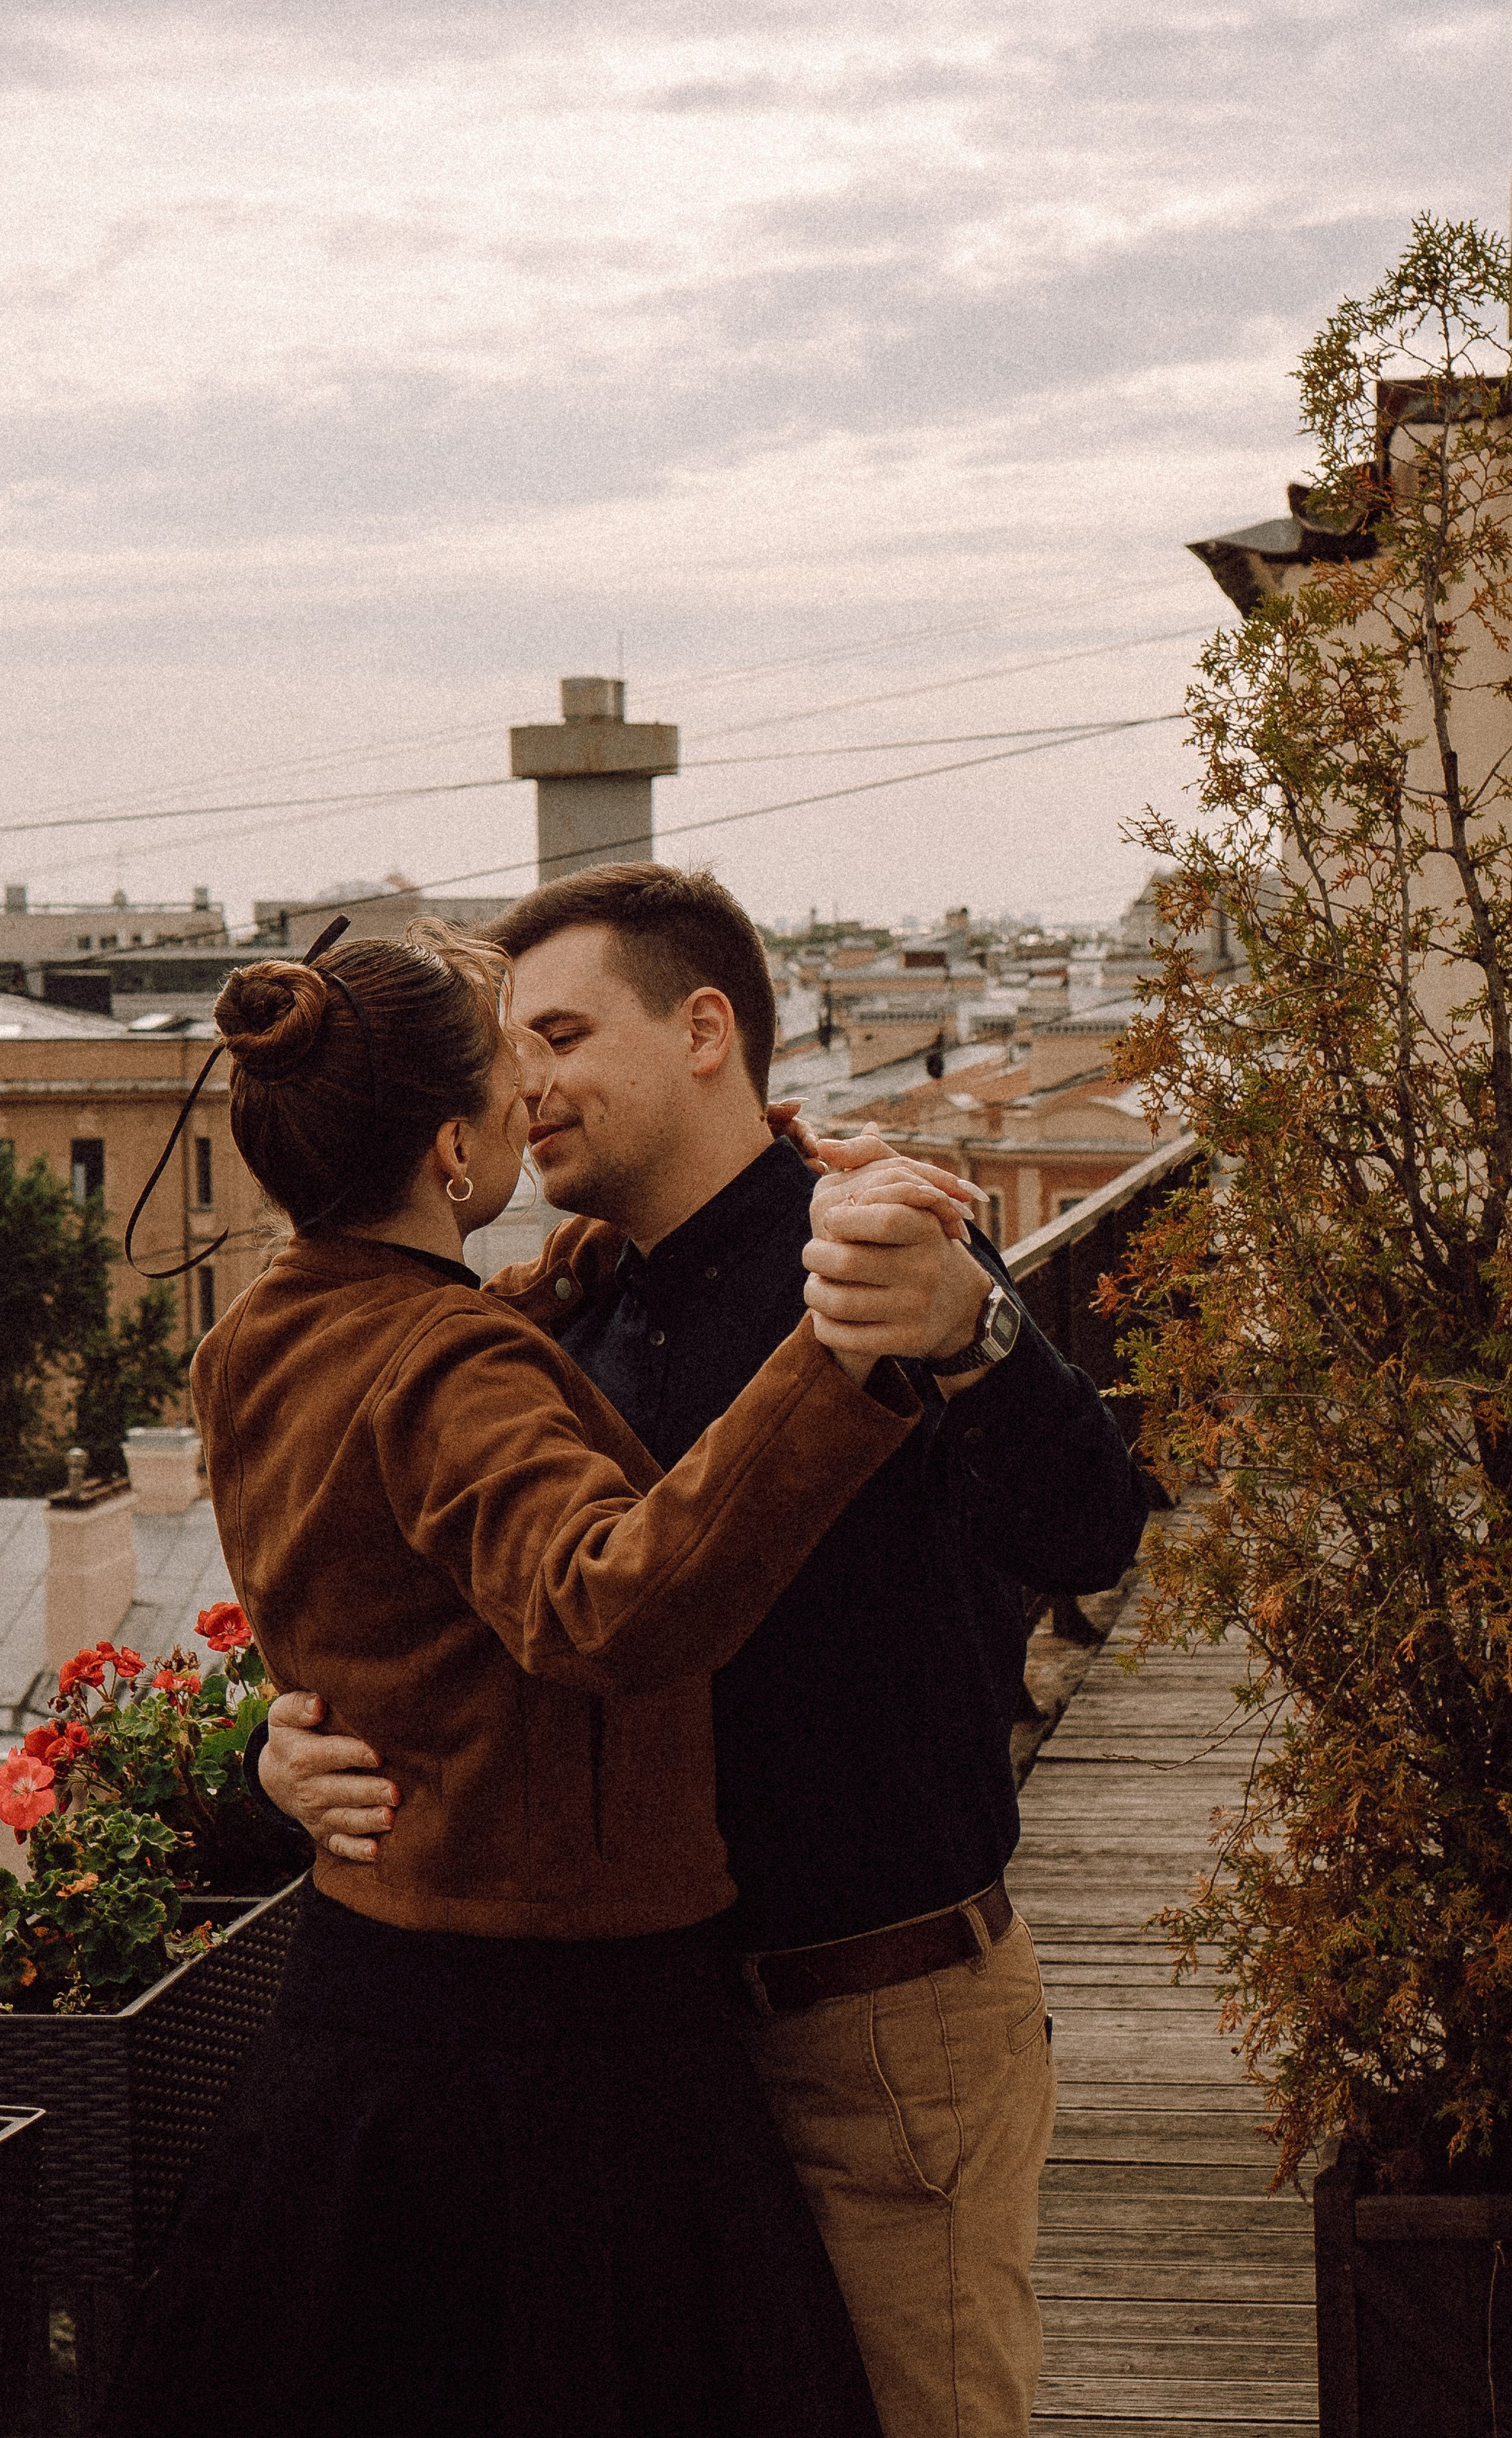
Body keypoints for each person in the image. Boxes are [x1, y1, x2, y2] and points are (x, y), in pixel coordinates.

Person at [260, 866, 1149, 2438]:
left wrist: (974, 1327)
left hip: (876, 2033)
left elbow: (1091, 1535)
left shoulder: (871, 1249)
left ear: (702, 1030)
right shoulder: (552, 1321)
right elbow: (420, 1598)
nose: (525, 1086)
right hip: (633, 2064)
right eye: (508, 1051)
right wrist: (284, 1745)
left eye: (560, 1035)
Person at [116, 923, 969, 2438]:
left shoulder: (256, 1337)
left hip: (358, 2017)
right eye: (511, 1076)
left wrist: (580, 1256)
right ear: (454, 1150)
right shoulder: (451, 1367)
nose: (534, 1097)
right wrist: (834, 1358)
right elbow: (604, 1605)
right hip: (561, 2057)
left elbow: (410, 1393)